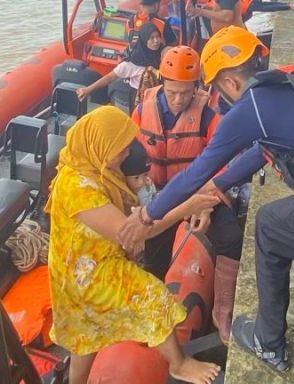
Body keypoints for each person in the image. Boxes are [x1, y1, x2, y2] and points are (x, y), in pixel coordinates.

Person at [120, 27, 294, 373]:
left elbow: (197, 171)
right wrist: (221, 187)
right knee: (285, 215)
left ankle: (269, 344)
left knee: (269, 225)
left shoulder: (249, 107)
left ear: (228, 82)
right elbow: (262, 150)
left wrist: (147, 215)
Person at [46, 106, 220, 384]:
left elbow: (136, 211)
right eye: (122, 148)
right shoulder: (76, 188)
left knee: (85, 337)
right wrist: (188, 206)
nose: (128, 154)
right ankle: (178, 363)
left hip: (94, 257)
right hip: (86, 274)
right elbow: (133, 233)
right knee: (153, 296)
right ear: (103, 146)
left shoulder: (95, 164)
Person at [130, 45, 243, 320]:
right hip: (156, 196)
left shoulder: (209, 115)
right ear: (162, 83)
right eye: (172, 92)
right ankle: (152, 303)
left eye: (185, 92)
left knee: (231, 237)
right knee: (154, 251)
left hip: (200, 193)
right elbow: (129, 155)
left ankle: (223, 308)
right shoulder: (142, 110)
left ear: (196, 87)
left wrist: (205, 204)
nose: (178, 100)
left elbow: (226, 163)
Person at [76, 22, 164, 113]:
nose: (156, 40)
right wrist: (88, 89)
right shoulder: (131, 63)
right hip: (141, 101)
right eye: (152, 38)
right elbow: (109, 77)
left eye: (158, 36)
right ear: (144, 40)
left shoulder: (164, 54)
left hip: (160, 98)